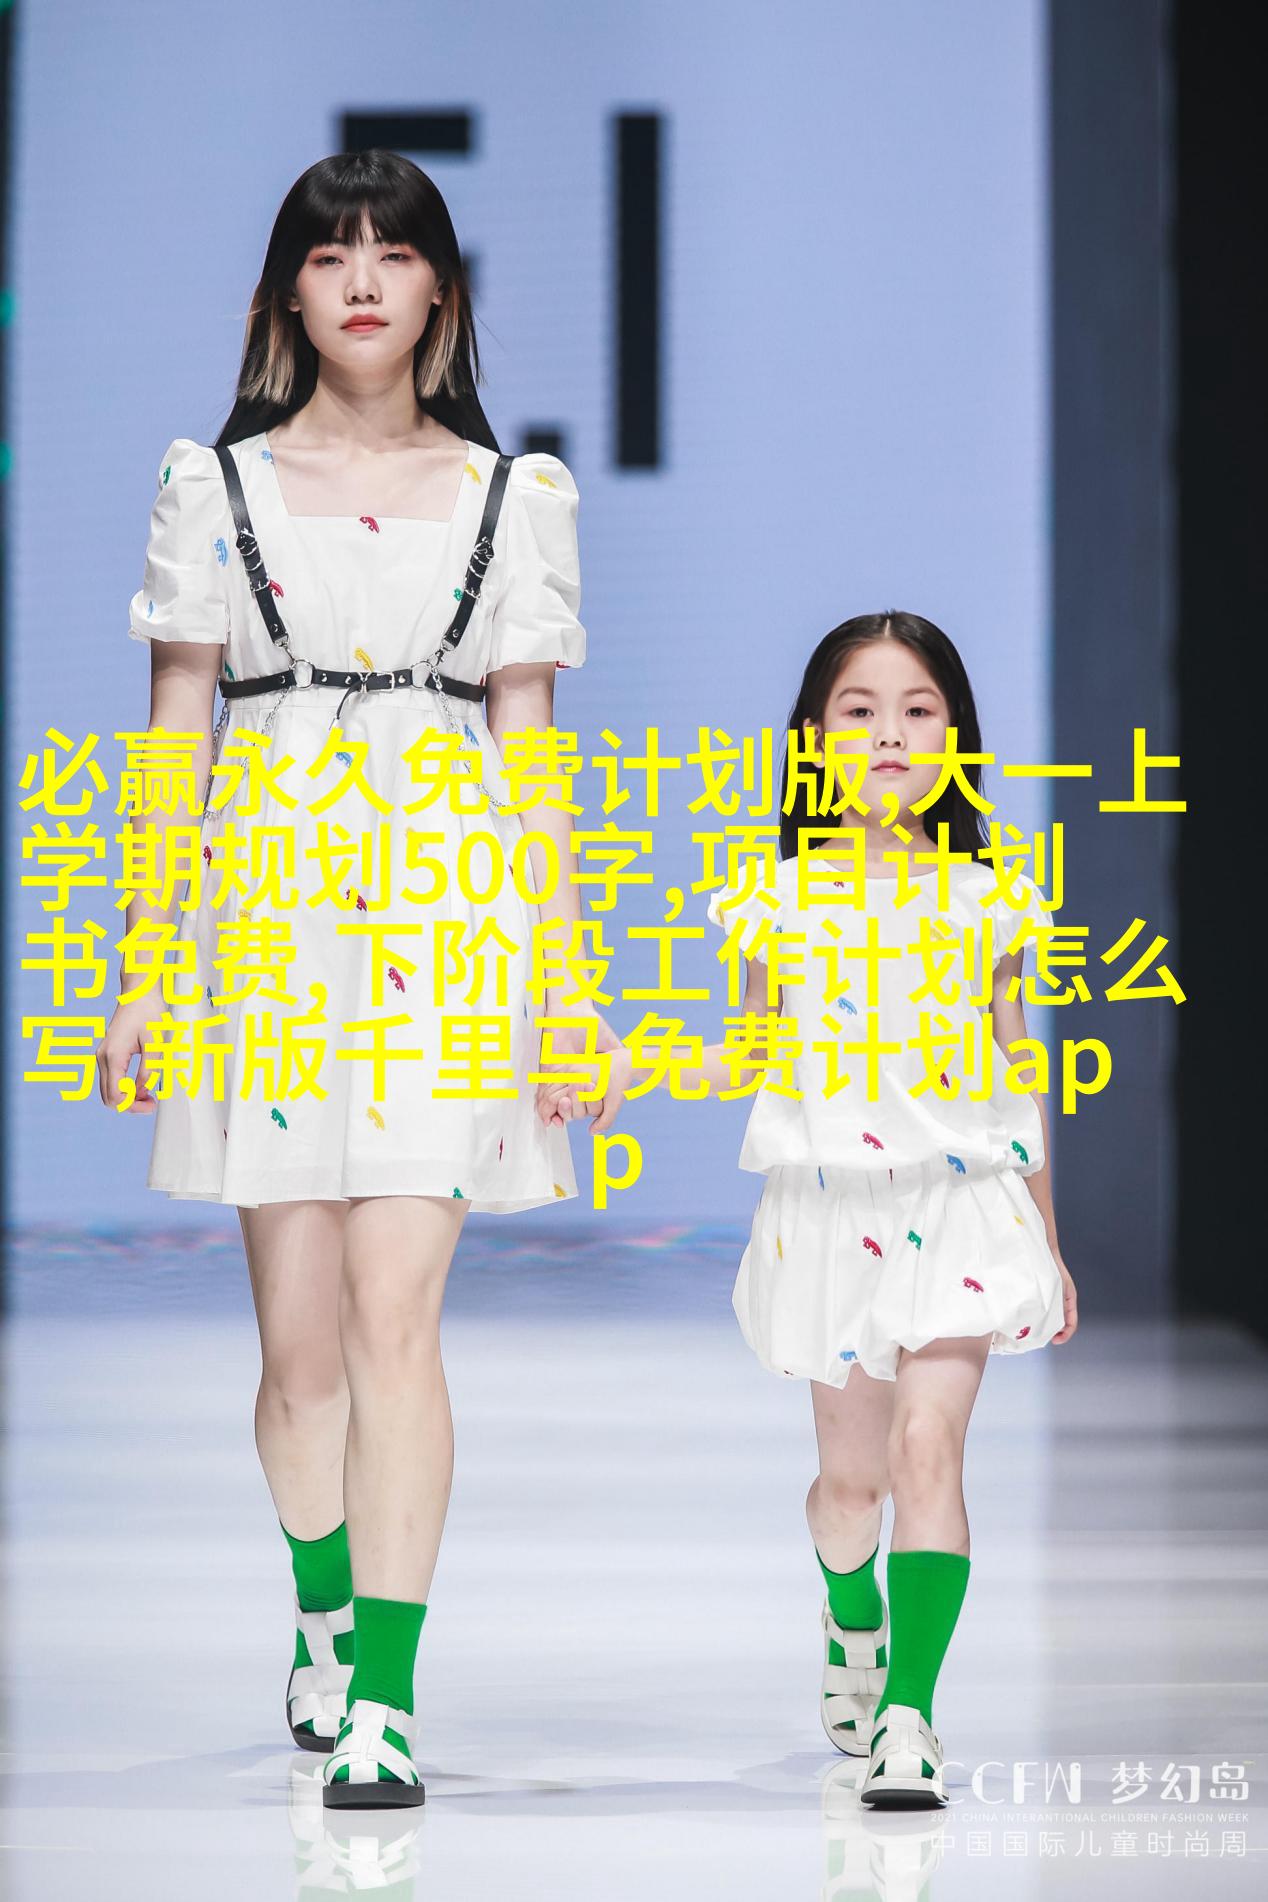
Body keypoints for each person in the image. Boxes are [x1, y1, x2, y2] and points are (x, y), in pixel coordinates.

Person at [96, 149, 621, 1809]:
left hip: (448, 925)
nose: (366, 280)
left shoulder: (513, 497)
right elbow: (174, 737)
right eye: (334, 257)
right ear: (285, 298)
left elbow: (530, 754)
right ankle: (322, 1600)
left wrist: (567, 981)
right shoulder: (215, 488)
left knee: (401, 1323)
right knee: (300, 1354)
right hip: (266, 923)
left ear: (442, 293)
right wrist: (143, 961)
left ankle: (383, 1695)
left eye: (396, 254)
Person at [573, 610, 1079, 1809]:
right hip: (829, 1213)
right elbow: (751, 1050)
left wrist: (1047, 1243)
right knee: (849, 1495)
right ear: (810, 737)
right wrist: (632, 1063)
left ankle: (908, 1715)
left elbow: (1015, 1071)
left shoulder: (989, 897)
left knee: (926, 1450)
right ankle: (851, 1612)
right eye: (858, 710)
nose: (889, 734)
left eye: (917, 710)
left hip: (961, 1208)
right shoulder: (776, 899)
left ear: (954, 737)